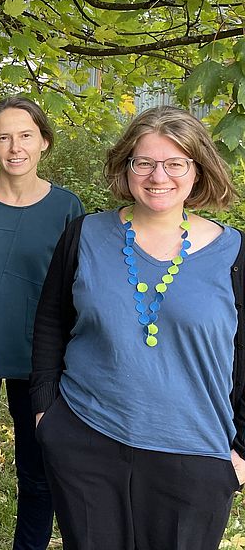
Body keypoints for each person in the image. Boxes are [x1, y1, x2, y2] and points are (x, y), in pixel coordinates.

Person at [31, 106, 245, 550]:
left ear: (198, 169)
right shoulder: (85, 234)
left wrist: (242, 450)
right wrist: (46, 414)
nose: (158, 176)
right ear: (126, 166)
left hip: (194, 453)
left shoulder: (235, 254)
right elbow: (51, 322)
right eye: (144, 162)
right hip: (86, 438)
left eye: (175, 163)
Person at [0, 97, 83, 550]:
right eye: (3, 137)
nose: (15, 147)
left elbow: (76, 289)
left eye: (25, 135)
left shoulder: (67, 208)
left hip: (40, 360)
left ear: (43, 141)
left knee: (38, 469)